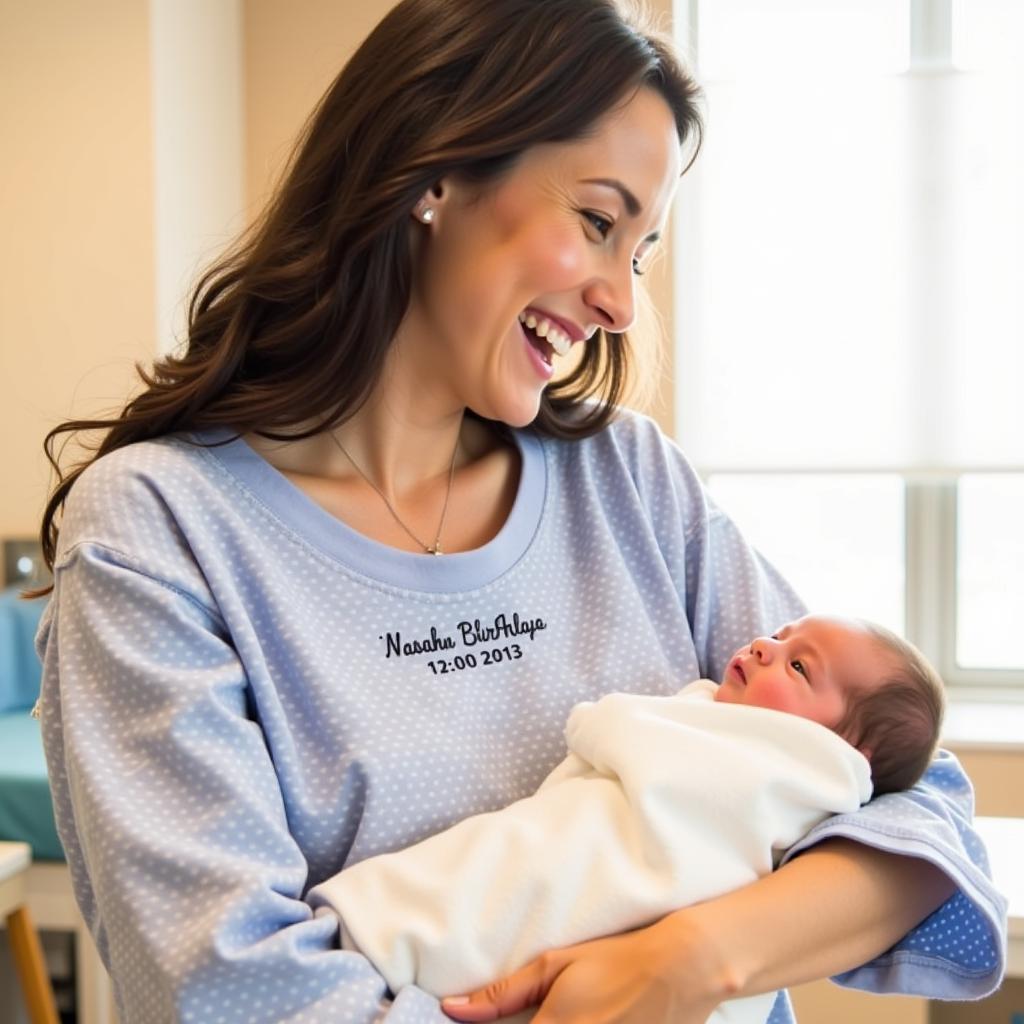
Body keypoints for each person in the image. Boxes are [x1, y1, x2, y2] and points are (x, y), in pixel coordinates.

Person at [32, 1, 1005, 1022]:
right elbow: (233, 987)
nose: (623, 303)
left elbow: (913, 808)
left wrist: (688, 959)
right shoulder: (161, 533)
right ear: (435, 169)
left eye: (639, 253)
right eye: (597, 221)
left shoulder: (627, 481)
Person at [308, 614, 945, 1024]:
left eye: (798, 665)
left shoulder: (783, 762)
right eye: (779, 635)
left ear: (847, 751)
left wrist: (695, 956)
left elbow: (609, 726)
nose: (764, 646)